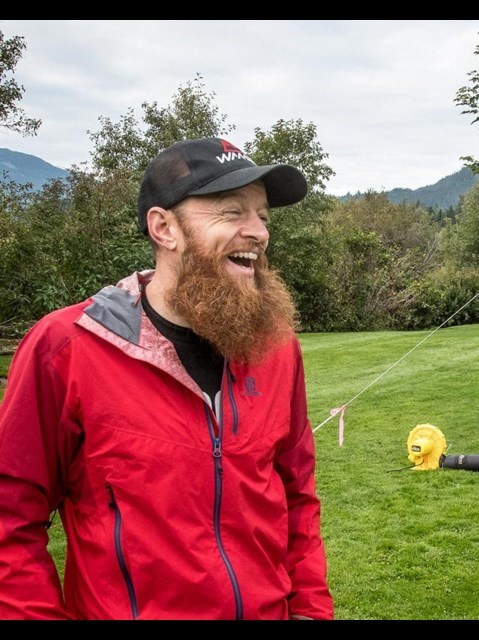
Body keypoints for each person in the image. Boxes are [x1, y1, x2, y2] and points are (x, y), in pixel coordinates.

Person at [0, 137, 334, 620]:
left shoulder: (277, 348)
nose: (257, 232)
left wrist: (310, 609)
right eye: (231, 211)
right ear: (164, 228)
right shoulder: (67, 348)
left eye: (262, 215)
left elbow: (297, 493)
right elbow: (10, 519)